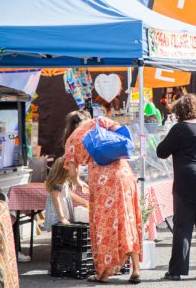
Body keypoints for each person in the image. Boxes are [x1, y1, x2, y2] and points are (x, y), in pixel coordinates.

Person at [63, 112, 142, 284]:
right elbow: (124, 134)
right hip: (124, 173)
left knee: (105, 224)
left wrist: (77, 181)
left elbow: (72, 172)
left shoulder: (72, 140)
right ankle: (135, 269)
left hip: (102, 181)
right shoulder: (99, 121)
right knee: (127, 219)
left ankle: (104, 273)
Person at [156, 94, 196, 281]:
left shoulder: (180, 129)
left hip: (186, 183)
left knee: (183, 227)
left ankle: (176, 271)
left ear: (181, 111)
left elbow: (161, 152)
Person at [43, 156, 89, 230]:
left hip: (64, 211)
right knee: (58, 232)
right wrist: (62, 217)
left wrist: (85, 202)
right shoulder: (58, 183)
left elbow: (70, 194)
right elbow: (56, 198)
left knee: (64, 232)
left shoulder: (64, 182)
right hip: (58, 214)